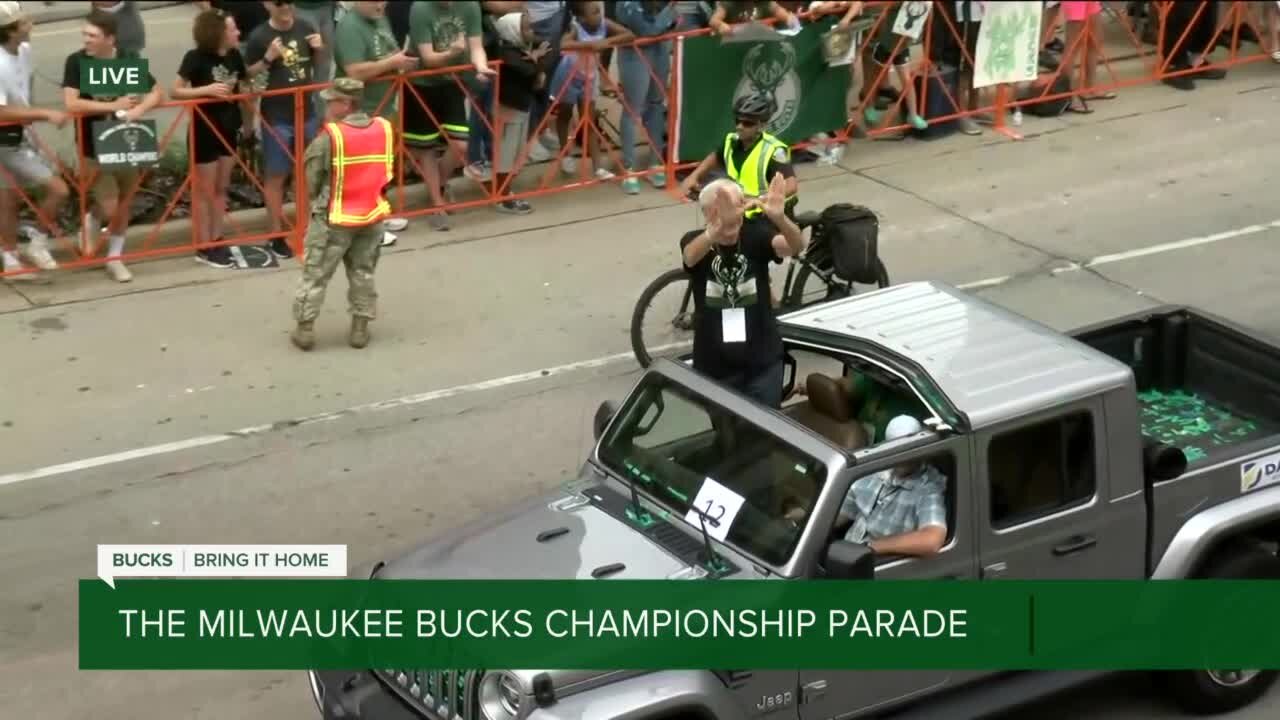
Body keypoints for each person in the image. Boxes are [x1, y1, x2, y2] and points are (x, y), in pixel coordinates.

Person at [679, 175, 804, 408]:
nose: (736, 214)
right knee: (727, 436)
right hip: (715, 368)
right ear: (709, 214)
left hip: (762, 363)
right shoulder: (697, 242)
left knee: (766, 432)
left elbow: (796, 245)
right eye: (726, 207)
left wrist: (780, 218)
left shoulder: (756, 235)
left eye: (738, 205)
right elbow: (689, 256)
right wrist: (715, 232)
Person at [61, 9, 163, 283]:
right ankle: (94, 220)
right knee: (111, 208)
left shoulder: (128, 59)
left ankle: (115, 257)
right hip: (92, 146)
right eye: (85, 34)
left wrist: (139, 109)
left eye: (92, 36)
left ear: (110, 39)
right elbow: (71, 103)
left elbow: (158, 92)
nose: (87, 40)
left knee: (124, 203)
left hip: (126, 143)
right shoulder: (77, 62)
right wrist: (112, 105)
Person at [290, 77, 393, 351]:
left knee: (316, 273)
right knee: (363, 272)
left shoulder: (330, 138)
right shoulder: (382, 129)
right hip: (371, 214)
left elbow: (312, 180)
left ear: (346, 104)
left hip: (334, 218)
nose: (326, 104)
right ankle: (360, 328)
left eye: (332, 100)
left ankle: (306, 328)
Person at [172, 8, 253, 269]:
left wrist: (249, 122)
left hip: (229, 128)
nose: (237, 33)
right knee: (204, 191)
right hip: (204, 128)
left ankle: (217, 237)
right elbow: (175, 91)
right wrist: (205, 90)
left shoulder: (234, 56)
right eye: (232, 29)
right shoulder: (195, 58)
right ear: (217, 33)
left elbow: (245, 83)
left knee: (221, 188)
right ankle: (203, 245)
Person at [407, 1, 496, 231]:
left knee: (460, 144)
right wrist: (453, 52)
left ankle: (440, 184)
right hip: (421, 82)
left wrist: (481, 66)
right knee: (426, 148)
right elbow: (427, 57)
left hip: (451, 80)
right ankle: (436, 202)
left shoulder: (470, 6)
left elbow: (476, 46)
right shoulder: (420, 8)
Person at [246, 0, 323, 261]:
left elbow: (316, 64)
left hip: (306, 113)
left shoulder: (305, 26)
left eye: (289, 2)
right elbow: (246, 74)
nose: (285, 7)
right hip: (277, 115)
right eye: (279, 3)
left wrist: (319, 50)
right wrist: (267, 58)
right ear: (268, 5)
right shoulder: (259, 36)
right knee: (277, 175)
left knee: (307, 171)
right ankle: (276, 233)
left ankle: (306, 227)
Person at [333, 0, 413, 245]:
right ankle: (365, 228)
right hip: (362, 110)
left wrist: (401, 63)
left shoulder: (380, 17)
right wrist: (393, 63)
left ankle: (378, 216)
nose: (381, 5)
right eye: (375, 1)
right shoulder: (349, 27)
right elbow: (354, 71)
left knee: (379, 169)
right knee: (363, 171)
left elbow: (390, 51)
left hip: (384, 105)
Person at [0, 1, 69, 281]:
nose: (32, 24)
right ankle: (19, 252)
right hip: (4, 138)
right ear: (11, 30)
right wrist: (44, 114)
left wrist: (31, 122)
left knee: (9, 199)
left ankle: (19, 251)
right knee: (55, 190)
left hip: (19, 136)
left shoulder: (25, 51)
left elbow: (26, 91)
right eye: (25, 22)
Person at [837, 414, 947, 557]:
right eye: (896, 449)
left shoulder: (928, 487)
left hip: (877, 563)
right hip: (845, 553)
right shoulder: (873, 471)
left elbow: (932, 540)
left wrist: (870, 548)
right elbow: (839, 515)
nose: (903, 457)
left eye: (908, 450)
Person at [678, 92, 797, 220]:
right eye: (737, 121)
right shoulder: (731, 141)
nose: (739, 127)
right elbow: (716, 157)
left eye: (747, 123)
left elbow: (791, 186)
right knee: (690, 239)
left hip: (766, 215)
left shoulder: (774, 150)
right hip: (738, 212)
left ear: (761, 125)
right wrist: (694, 176)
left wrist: (759, 200)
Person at [548, 1, 632, 179]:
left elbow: (628, 34)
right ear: (581, 17)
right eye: (593, 13)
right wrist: (589, 46)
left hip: (589, 77)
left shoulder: (604, 24)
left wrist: (607, 41)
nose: (598, 15)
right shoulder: (575, 27)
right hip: (569, 75)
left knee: (590, 121)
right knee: (565, 115)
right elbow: (563, 44)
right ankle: (565, 154)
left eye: (599, 11)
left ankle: (598, 167)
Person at [490, 10, 552, 214]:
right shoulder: (507, 51)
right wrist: (535, 60)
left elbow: (547, 53)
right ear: (512, 31)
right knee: (506, 153)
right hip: (509, 108)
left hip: (522, 107)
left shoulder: (523, 48)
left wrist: (536, 58)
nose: (531, 31)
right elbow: (527, 70)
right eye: (525, 28)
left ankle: (506, 191)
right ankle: (501, 196)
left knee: (516, 152)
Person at [615, 1, 676, 195]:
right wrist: (669, 12)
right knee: (633, 109)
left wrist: (668, 16)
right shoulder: (626, 4)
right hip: (635, 55)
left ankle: (655, 162)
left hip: (660, 51)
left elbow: (674, 23)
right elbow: (646, 29)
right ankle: (629, 168)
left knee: (656, 106)